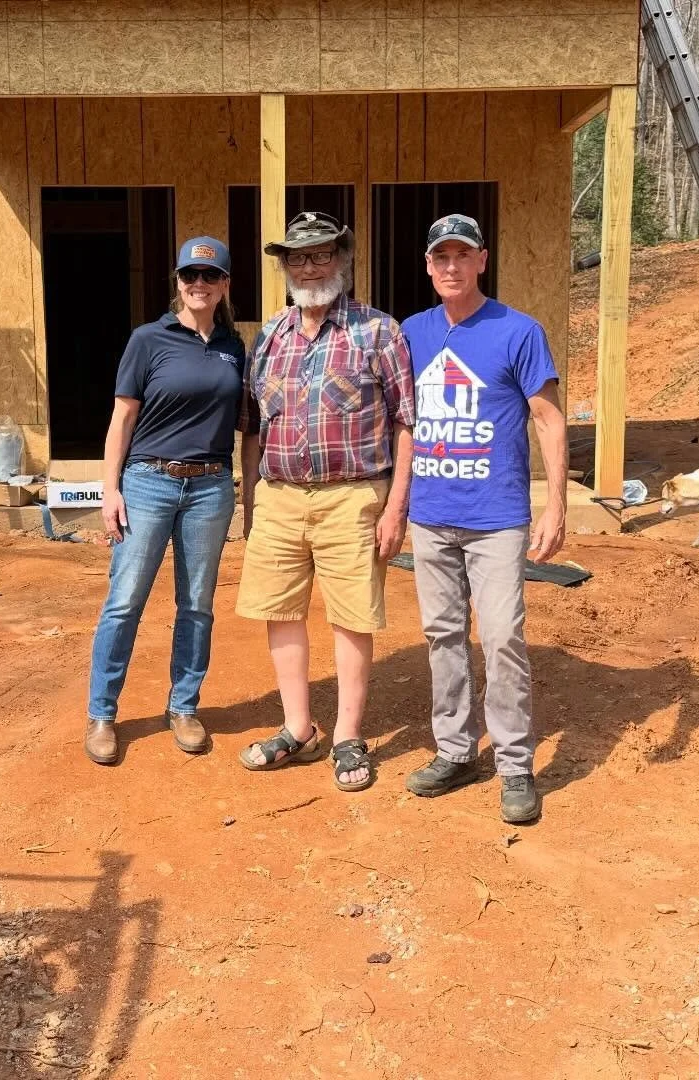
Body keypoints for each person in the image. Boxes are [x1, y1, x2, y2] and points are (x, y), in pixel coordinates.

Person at [235, 211, 415, 793]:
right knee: (280, 612)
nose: (310, 266)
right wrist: (252, 503)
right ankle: (298, 728)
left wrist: (396, 509)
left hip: (353, 498)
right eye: (298, 256)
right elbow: (253, 428)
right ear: (285, 266)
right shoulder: (268, 337)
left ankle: (347, 736)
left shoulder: (378, 331)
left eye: (321, 254)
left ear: (343, 258)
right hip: (280, 498)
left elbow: (405, 423)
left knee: (352, 618)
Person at [399, 213, 568, 823]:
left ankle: (516, 766)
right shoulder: (411, 333)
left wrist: (556, 504)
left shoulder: (518, 331)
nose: (450, 267)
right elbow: (399, 425)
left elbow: (548, 419)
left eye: (461, 256)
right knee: (442, 636)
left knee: (501, 639)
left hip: (496, 516)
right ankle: (455, 751)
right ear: (427, 265)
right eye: (440, 257)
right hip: (432, 513)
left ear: (481, 260)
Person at [83, 237, 247, 765]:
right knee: (125, 599)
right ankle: (103, 714)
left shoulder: (234, 346)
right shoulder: (148, 340)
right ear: (178, 282)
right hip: (149, 482)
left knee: (197, 604)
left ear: (224, 284)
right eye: (189, 276)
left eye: (210, 276)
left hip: (210, 487)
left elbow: (247, 422)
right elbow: (122, 419)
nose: (198, 285)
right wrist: (111, 490)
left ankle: (183, 707)